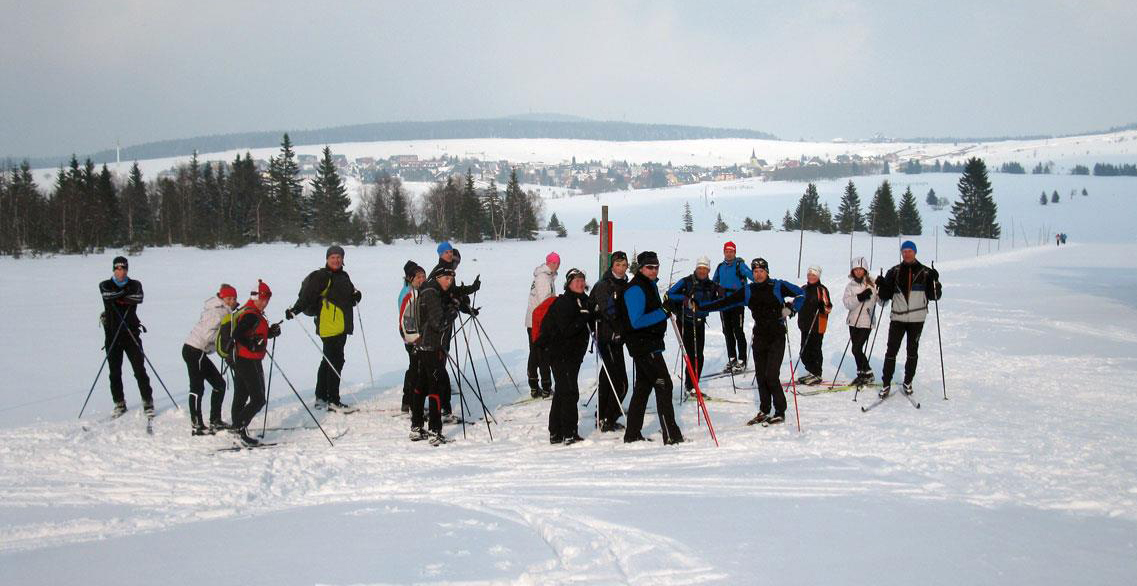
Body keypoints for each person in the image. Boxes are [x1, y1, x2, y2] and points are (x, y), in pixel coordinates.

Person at [701, 258, 804, 426]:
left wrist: (792, 308)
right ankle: (764, 410)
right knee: (761, 375)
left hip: (776, 335)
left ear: (767, 271)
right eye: (755, 271)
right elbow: (725, 302)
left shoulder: (778, 285)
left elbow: (801, 293)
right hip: (760, 337)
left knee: (771, 376)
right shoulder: (748, 290)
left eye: (761, 271)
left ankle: (780, 411)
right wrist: (701, 307)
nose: (758, 274)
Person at [617, 251, 684, 444]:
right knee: (664, 384)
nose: (653, 270)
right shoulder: (636, 288)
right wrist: (663, 311)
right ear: (640, 268)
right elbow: (636, 321)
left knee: (643, 387)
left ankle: (632, 434)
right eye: (649, 267)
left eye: (656, 267)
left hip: (650, 343)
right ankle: (671, 435)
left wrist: (667, 307)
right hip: (643, 344)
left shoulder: (648, 285)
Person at [286, 245, 361, 412]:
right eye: (333, 257)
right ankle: (333, 399)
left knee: (329, 360)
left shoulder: (343, 275)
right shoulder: (321, 276)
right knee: (335, 361)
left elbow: (349, 295)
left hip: (342, 325)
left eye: (339, 257)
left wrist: (356, 296)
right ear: (327, 259)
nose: (336, 260)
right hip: (328, 325)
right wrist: (295, 310)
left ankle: (321, 397)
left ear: (343, 259)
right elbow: (308, 295)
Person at [876, 241, 942, 398]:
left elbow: (935, 297)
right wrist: (882, 286)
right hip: (897, 318)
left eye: (909, 251)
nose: (907, 254)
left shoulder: (926, 272)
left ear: (915, 252)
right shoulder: (894, 271)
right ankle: (886, 384)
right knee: (891, 351)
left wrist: (936, 282)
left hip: (917, 319)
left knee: (912, 352)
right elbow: (884, 299)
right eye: (904, 251)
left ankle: (908, 381)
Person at [538, 269, 595, 444]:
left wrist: (594, 315)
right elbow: (567, 330)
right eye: (576, 280)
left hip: (573, 355)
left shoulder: (583, 300)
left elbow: (590, 317)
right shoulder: (564, 302)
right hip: (559, 353)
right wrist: (584, 318)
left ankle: (556, 433)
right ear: (568, 283)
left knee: (562, 391)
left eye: (582, 280)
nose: (579, 283)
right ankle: (569, 432)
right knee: (570, 392)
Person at [99, 256, 154, 418]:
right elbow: (107, 295)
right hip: (112, 334)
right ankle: (119, 402)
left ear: (127, 269)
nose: (120, 272)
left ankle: (148, 401)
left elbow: (139, 298)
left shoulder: (135, 284)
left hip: (131, 333)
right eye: (117, 269)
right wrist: (124, 297)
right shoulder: (105, 284)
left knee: (139, 369)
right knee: (114, 371)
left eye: (123, 269)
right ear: (114, 270)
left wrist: (119, 297)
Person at [409, 265, 458, 446]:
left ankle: (416, 426)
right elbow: (439, 322)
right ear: (437, 278)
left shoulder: (429, 290)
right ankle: (435, 431)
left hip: (423, 346)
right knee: (435, 386)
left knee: (421, 384)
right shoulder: (432, 293)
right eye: (446, 278)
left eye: (451, 279)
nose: (449, 282)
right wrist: (453, 311)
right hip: (432, 347)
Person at [182, 283, 239, 435]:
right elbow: (209, 335)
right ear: (222, 297)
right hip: (195, 349)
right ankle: (197, 425)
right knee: (197, 388)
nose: (232, 301)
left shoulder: (222, 310)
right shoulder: (217, 312)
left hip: (197, 350)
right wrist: (225, 340)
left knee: (219, 384)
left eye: (234, 298)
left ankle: (215, 420)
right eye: (229, 298)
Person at [229, 280, 281, 446]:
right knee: (258, 399)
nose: (265, 303)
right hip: (247, 360)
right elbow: (238, 334)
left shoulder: (252, 312)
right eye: (263, 299)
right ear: (255, 297)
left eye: (267, 299)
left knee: (241, 396)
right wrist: (252, 345)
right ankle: (238, 428)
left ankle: (237, 429)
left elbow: (253, 334)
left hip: (243, 359)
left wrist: (270, 333)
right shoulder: (251, 314)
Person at [666, 256, 725, 395]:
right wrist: (685, 299)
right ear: (696, 268)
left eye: (705, 268)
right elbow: (669, 295)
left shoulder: (711, 285)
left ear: (709, 270)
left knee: (699, 355)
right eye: (700, 268)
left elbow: (714, 303)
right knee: (692, 355)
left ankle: (693, 384)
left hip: (699, 323)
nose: (702, 271)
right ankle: (690, 386)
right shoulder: (686, 282)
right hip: (686, 321)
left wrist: (722, 296)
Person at [589, 251, 630, 432]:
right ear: (612, 266)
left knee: (608, 377)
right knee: (619, 382)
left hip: (618, 337)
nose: (621, 268)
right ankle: (608, 416)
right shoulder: (604, 285)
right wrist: (618, 328)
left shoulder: (625, 283)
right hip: (607, 336)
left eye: (624, 265)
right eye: (618, 264)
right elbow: (608, 310)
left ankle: (604, 415)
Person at [712, 241, 752, 374]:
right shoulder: (720, 267)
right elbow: (713, 283)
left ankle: (742, 360)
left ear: (735, 252)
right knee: (727, 331)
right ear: (724, 252)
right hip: (724, 303)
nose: (729, 254)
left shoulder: (739, 265)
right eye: (727, 251)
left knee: (738, 330)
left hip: (737, 303)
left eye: (731, 251)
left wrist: (759, 283)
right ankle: (732, 358)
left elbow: (751, 275)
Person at [524, 252, 560, 398]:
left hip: (534, 321)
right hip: (539, 322)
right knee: (542, 354)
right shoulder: (544, 278)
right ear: (550, 263)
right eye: (556, 263)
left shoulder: (544, 276)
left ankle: (535, 386)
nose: (557, 266)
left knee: (535, 353)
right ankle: (545, 387)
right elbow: (545, 302)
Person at [842, 257, 878, 387]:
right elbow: (847, 304)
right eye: (855, 269)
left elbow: (882, 302)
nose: (858, 272)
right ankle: (862, 374)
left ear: (865, 270)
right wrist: (859, 297)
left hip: (867, 321)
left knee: (857, 348)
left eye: (860, 269)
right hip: (853, 321)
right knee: (855, 349)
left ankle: (867, 372)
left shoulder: (873, 284)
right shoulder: (850, 286)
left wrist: (884, 291)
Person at [796, 265, 832, 386]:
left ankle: (817, 373)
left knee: (815, 349)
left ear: (818, 276)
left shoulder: (822, 290)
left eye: (814, 275)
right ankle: (811, 371)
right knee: (804, 351)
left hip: (817, 325)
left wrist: (823, 307)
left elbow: (828, 307)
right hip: (805, 324)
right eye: (809, 275)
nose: (811, 277)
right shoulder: (803, 288)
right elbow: (797, 302)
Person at [397, 261, 426, 413]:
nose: (422, 279)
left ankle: (408, 401)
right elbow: (407, 318)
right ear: (410, 278)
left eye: (423, 276)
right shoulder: (409, 293)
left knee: (414, 368)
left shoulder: (416, 291)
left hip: (415, 336)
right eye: (418, 277)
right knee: (417, 370)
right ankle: (412, 402)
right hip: (412, 338)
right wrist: (414, 337)